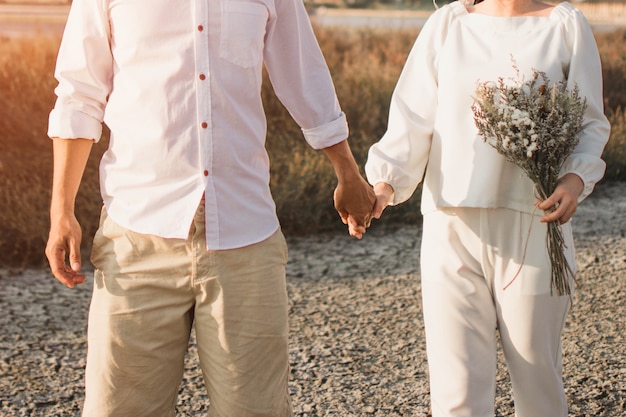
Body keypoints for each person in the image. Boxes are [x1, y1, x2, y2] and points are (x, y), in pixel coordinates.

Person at [45, 0, 375, 415]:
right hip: (135, 235)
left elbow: (304, 75)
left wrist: (347, 171)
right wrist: (62, 211)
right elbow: (79, 95)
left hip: (245, 238)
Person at [360, 0, 610, 416]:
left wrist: (575, 178)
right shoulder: (448, 24)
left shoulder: (565, 25)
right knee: (455, 392)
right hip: (449, 225)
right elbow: (411, 118)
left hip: (535, 221)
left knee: (537, 382)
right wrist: (384, 186)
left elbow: (589, 121)